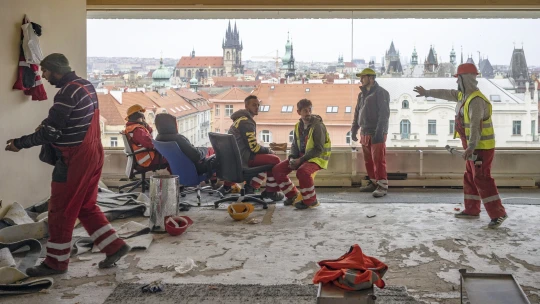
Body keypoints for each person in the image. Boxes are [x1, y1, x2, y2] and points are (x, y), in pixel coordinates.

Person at [5, 53, 130, 276]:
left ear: (55, 70)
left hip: (74, 160)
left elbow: (51, 132)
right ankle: (115, 247)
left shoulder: (66, 93)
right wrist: (47, 125)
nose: (43, 76)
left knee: (61, 210)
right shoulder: (86, 86)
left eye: (45, 71)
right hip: (93, 154)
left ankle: (55, 262)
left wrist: (19, 143)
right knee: (86, 206)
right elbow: (68, 121)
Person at [413, 63, 508, 229]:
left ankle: (498, 214)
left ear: (465, 79)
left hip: (481, 148)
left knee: (482, 179)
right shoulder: (463, 96)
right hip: (474, 147)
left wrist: (471, 147)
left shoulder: (476, 101)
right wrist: (427, 92)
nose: (457, 83)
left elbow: (475, 127)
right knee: (470, 177)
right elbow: (446, 93)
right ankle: (472, 209)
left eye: (458, 79)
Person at [221, 95, 284, 201]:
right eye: (254, 105)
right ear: (246, 106)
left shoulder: (239, 120)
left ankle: (230, 187)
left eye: (258, 105)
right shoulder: (247, 122)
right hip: (244, 158)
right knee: (275, 159)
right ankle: (271, 191)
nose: (257, 107)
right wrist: (269, 150)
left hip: (235, 158)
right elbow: (253, 148)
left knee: (265, 160)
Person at [272, 99, 331, 209]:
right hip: (302, 157)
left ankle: (311, 201)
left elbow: (318, 149)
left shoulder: (318, 126)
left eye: (309, 110)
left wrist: (300, 160)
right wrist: (292, 158)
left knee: (303, 171)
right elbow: (295, 144)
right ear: (298, 112)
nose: (308, 113)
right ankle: (292, 195)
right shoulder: (298, 126)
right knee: (277, 170)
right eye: (305, 110)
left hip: (317, 158)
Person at [351, 68, 391, 198]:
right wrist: (354, 129)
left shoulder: (381, 93)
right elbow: (357, 112)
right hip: (365, 131)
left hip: (376, 132)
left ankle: (382, 186)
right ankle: (374, 182)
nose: (361, 79)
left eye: (363, 77)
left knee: (378, 160)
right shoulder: (361, 94)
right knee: (368, 160)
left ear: (371, 78)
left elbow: (384, 114)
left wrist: (380, 132)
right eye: (361, 77)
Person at [154, 113, 217, 185]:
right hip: (194, 169)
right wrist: (204, 150)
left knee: (207, 152)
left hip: (179, 171)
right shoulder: (178, 139)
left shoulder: (158, 139)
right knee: (218, 155)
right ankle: (224, 185)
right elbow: (197, 156)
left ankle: (213, 180)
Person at [123, 104, 169, 172]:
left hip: (139, 157)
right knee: (171, 157)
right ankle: (175, 180)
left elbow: (149, 134)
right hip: (146, 159)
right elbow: (150, 144)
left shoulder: (130, 128)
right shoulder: (138, 130)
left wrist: (145, 125)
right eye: (143, 117)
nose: (144, 119)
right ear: (139, 117)